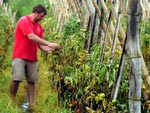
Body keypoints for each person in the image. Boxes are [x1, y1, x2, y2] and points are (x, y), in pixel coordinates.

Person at [10, 4, 59, 108]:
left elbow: (40, 45)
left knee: (32, 80)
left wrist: (51, 50)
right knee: (17, 78)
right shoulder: (24, 20)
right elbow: (31, 36)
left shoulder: (39, 27)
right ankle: (11, 100)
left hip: (32, 58)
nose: (42, 19)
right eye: (41, 16)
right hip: (20, 55)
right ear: (35, 13)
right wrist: (49, 43)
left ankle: (31, 104)